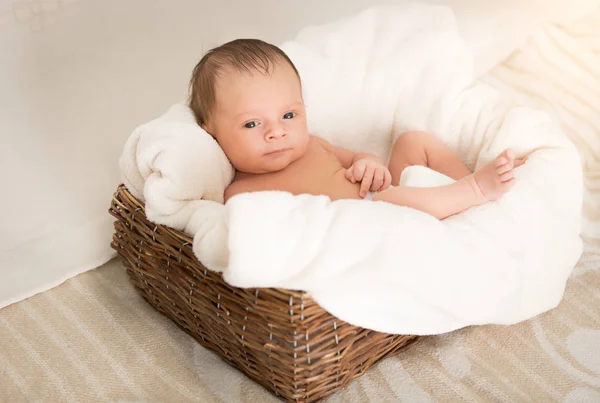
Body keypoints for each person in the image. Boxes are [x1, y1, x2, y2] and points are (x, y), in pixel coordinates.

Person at [188, 39, 525, 220]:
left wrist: (369, 165)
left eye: (289, 115)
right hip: (372, 218)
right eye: (252, 123)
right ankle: (475, 192)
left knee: (414, 141)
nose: (276, 132)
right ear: (211, 133)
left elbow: (357, 158)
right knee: (394, 201)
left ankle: (463, 185)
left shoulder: (314, 145)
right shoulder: (239, 196)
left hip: (384, 193)